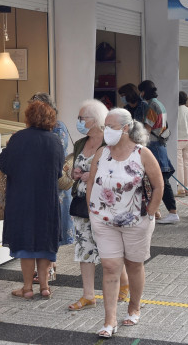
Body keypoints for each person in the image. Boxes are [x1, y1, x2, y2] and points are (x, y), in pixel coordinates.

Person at [87, 108, 164, 337]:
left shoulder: (142, 154)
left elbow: (158, 185)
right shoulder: (102, 153)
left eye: (111, 126)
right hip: (104, 220)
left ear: (126, 128)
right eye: (105, 126)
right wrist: (92, 209)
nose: (106, 130)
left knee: (133, 265)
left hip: (135, 221)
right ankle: (109, 319)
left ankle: (134, 306)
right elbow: (92, 181)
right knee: (110, 267)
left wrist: (150, 212)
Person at [0, 100, 64, 300]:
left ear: (28, 117)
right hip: (47, 199)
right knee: (44, 242)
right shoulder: (54, 141)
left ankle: (27, 288)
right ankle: (44, 286)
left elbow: (4, 164)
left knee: (26, 243)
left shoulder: (18, 138)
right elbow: (59, 171)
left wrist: (6, 149)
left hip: (22, 198)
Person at [67, 100, 107, 311]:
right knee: (85, 249)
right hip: (82, 205)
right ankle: (88, 294)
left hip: (104, 205)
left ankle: (124, 283)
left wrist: (94, 176)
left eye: (83, 118)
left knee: (110, 249)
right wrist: (74, 174)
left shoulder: (110, 143)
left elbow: (116, 171)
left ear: (96, 120)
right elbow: (75, 168)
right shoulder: (80, 143)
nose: (79, 122)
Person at [28, 93, 72, 283]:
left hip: (56, 186)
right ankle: (48, 269)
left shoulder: (58, 127)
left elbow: (57, 157)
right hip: (41, 185)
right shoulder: (36, 129)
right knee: (45, 229)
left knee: (53, 227)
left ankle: (50, 269)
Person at [137, 80, 179, 224]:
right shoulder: (159, 103)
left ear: (143, 92)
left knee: (161, 179)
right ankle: (164, 211)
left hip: (154, 145)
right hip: (160, 144)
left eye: (140, 91)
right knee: (162, 178)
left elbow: (147, 128)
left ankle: (172, 212)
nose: (140, 94)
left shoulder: (152, 106)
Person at [176, 91, 188, 197]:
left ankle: (181, 189)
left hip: (178, 140)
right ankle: (186, 187)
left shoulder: (175, 110)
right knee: (187, 164)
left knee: (180, 165)